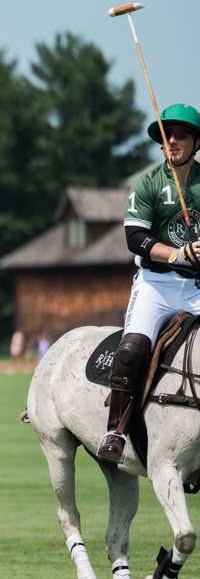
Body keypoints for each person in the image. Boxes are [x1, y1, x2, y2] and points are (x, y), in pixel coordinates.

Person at [98, 103, 200, 463]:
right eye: (167, 134)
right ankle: (116, 430)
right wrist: (177, 254)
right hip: (157, 284)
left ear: (196, 142)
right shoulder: (149, 183)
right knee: (132, 349)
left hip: (197, 286)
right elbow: (136, 238)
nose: (173, 140)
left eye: (181, 134)